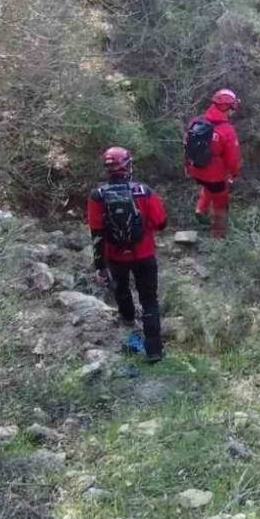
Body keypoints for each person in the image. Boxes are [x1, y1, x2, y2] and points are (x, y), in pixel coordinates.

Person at [86, 147, 168, 363]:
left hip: (116, 257)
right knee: (149, 300)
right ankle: (154, 350)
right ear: (128, 166)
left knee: (122, 291)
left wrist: (99, 266)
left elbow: (96, 233)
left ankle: (129, 323)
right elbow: (161, 223)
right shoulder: (144, 191)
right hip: (144, 254)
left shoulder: (97, 196)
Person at [183, 88, 241, 238]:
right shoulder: (227, 130)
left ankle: (200, 209)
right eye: (233, 107)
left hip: (196, 169)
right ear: (228, 107)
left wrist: (187, 166)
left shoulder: (196, 121)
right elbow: (233, 158)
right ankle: (218, 235)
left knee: (208, 186)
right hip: (215, 175)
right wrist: (234, 174)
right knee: (220, 203)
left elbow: (187, 144)